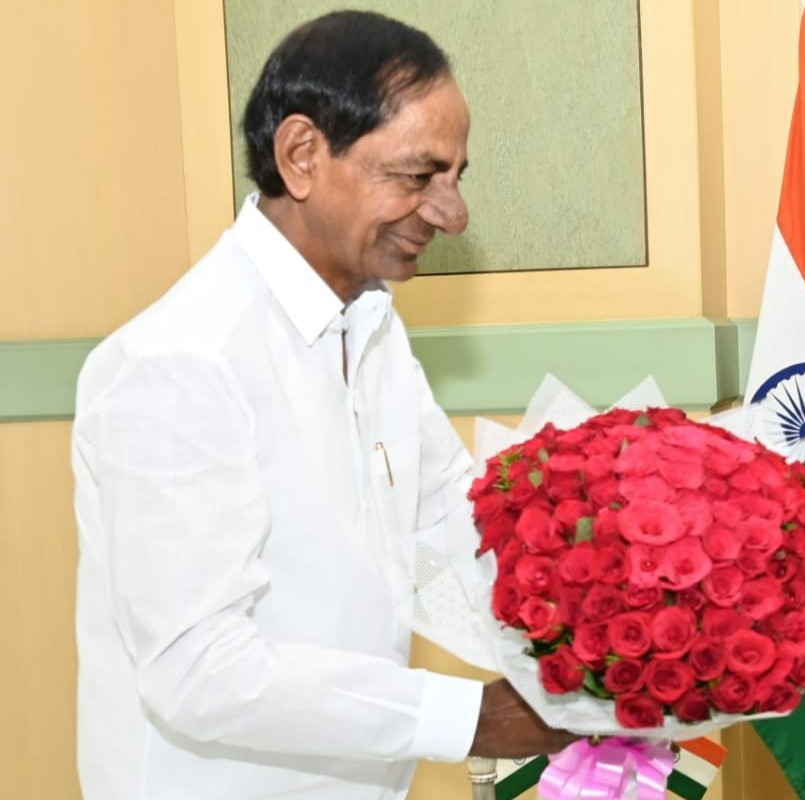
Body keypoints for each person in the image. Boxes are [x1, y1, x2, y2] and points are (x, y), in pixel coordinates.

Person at [72, 12, 574, 799]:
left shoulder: (369, 323)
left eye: (455, 176)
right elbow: (196, 669)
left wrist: (621, 606)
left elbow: (455, 520)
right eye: (417, 176)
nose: (452, 213)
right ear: (302, 155)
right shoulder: (180, 364)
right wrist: (470, 718)